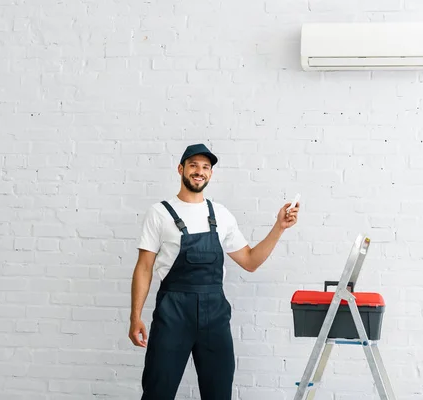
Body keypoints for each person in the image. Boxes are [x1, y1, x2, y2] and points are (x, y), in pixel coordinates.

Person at [128, 143, 299, 399]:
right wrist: (135, 316)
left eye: (205, 167)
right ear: (181, 169)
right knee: (157, 390)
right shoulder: (159, 213)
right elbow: (144, 267)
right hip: (173, 311)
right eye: (194, 165)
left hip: (215, 314)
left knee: (218, 392)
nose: (199, 171)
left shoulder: (220, 214)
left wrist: (279, 227)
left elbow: (250, 261)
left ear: (210, 174)